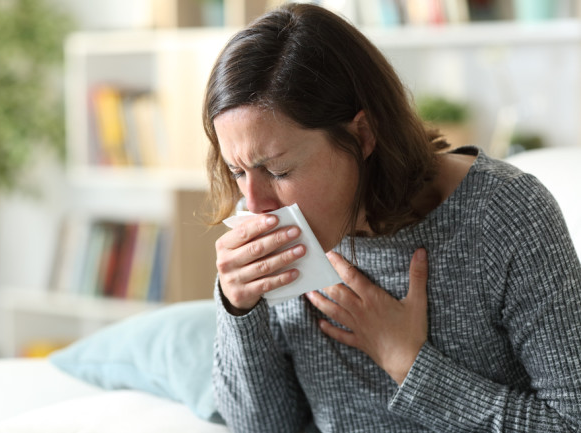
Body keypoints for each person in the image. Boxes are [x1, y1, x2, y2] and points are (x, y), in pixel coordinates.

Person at [202, 3, 581, 432]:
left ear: (362, 134)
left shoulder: (504, 214)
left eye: (279, 170)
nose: (254, 204)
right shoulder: (264, 231)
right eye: (237, 171)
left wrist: (410, 364)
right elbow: (262, 427)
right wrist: (238, 309)